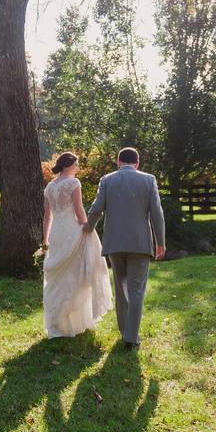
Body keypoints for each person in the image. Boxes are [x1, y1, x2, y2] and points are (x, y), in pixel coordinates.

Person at [84, 147, 165, 351]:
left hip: (115, 243)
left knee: (121, 289)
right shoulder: (149, 180)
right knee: (136, 290)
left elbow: (96, 209)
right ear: (137, 163)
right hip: (140, 243)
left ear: (118, 162)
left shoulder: (107, 180)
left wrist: (87, 229)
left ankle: (124, 333)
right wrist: (160, 242)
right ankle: (131, 337)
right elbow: (157, 213)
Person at [42, 152, 113, 338]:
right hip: (72, 232)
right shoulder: (74, 183)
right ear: (68, 165)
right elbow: (79, 210)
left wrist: (45, 240)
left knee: (58, 278)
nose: (78, 168)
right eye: (76, 165)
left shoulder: (49, 187)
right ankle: (72, 321)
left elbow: (47, 217)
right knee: (77, 274)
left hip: (57, 234)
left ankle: (59, 323)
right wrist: (87, 227)